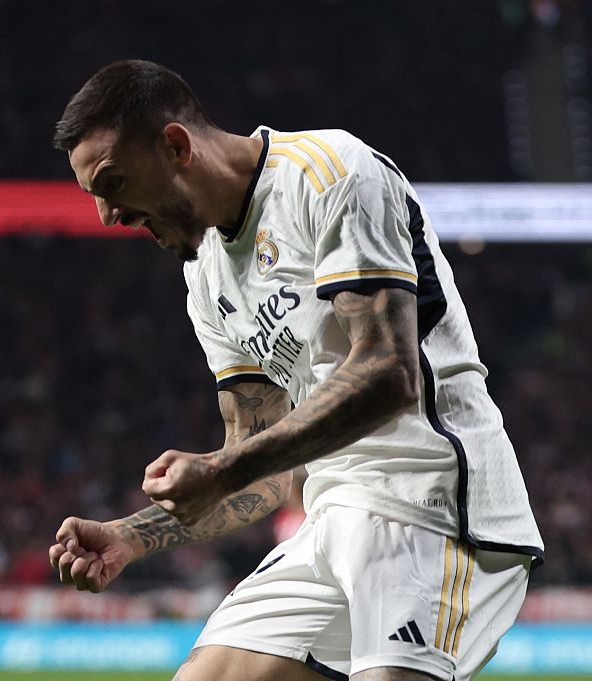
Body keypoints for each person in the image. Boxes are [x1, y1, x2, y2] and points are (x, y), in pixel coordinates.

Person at [48, 60, 543, 681]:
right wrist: (134, 536)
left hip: (436, 506)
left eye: (112, 182)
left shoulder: (329, 174)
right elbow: (261, 468)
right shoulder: (204, 277)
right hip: (331, 516)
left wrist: (225, 468)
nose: (106, 216)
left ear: (175, 145)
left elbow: (389, 374)